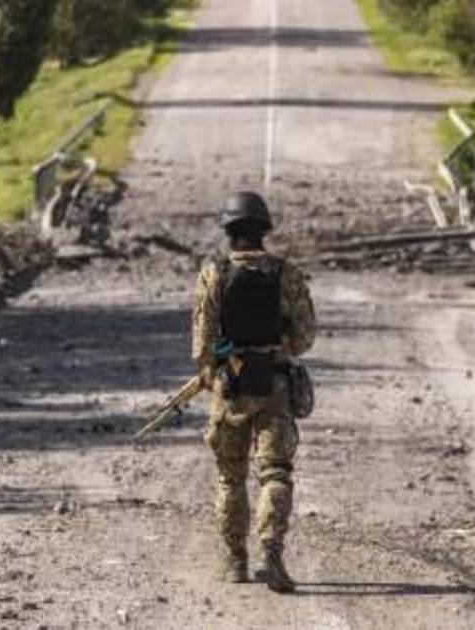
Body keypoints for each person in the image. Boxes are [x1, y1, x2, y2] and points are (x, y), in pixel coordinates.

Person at [191, 191, 316, 594]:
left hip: (230, 388)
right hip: (276, 385)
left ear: (228, 231)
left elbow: (203, 346)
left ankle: (235, 561)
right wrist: (276, 347)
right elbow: (304, 338)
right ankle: (272, 552)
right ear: (264, 230)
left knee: (230, 478)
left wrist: (225, 358)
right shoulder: (286, 273)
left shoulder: (214, 273)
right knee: (275, 472)